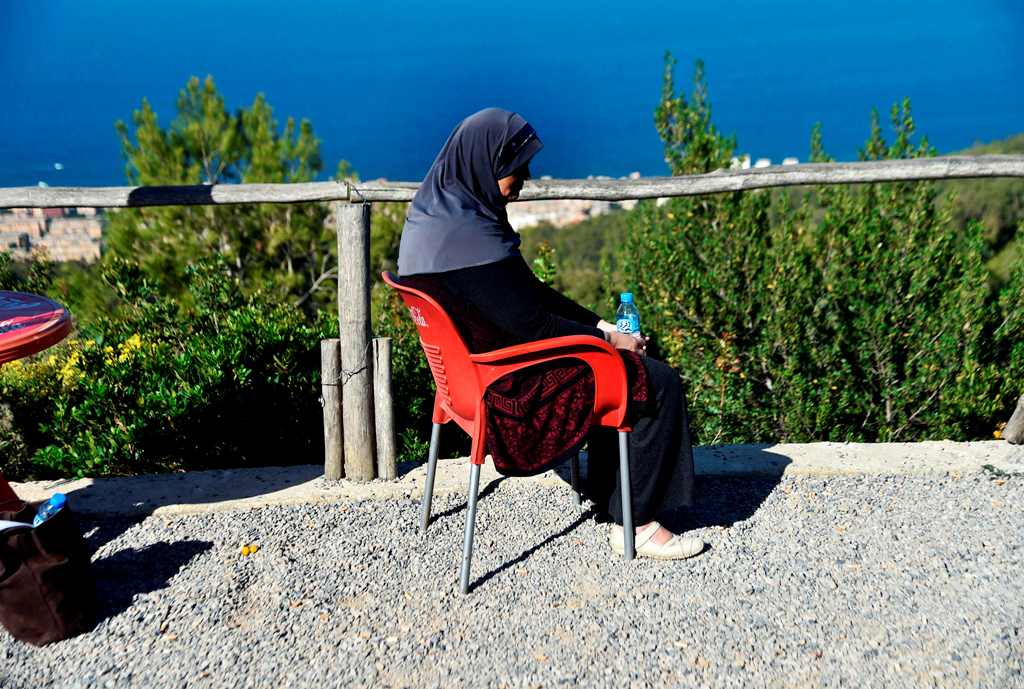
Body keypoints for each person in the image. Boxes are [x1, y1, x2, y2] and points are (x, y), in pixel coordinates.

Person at [397, 108, 704, 559]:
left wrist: (600, 326)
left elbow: (529, 294)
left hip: (464, 384)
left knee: (619, 362)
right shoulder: (469, 241)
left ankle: (614, 499)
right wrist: (609, 344)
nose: (525, 177)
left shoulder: (439, 219)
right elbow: (533, 323)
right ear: (486, 163)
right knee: (654, 381)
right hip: (512, 391)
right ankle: (634, 523)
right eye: (515, 166)